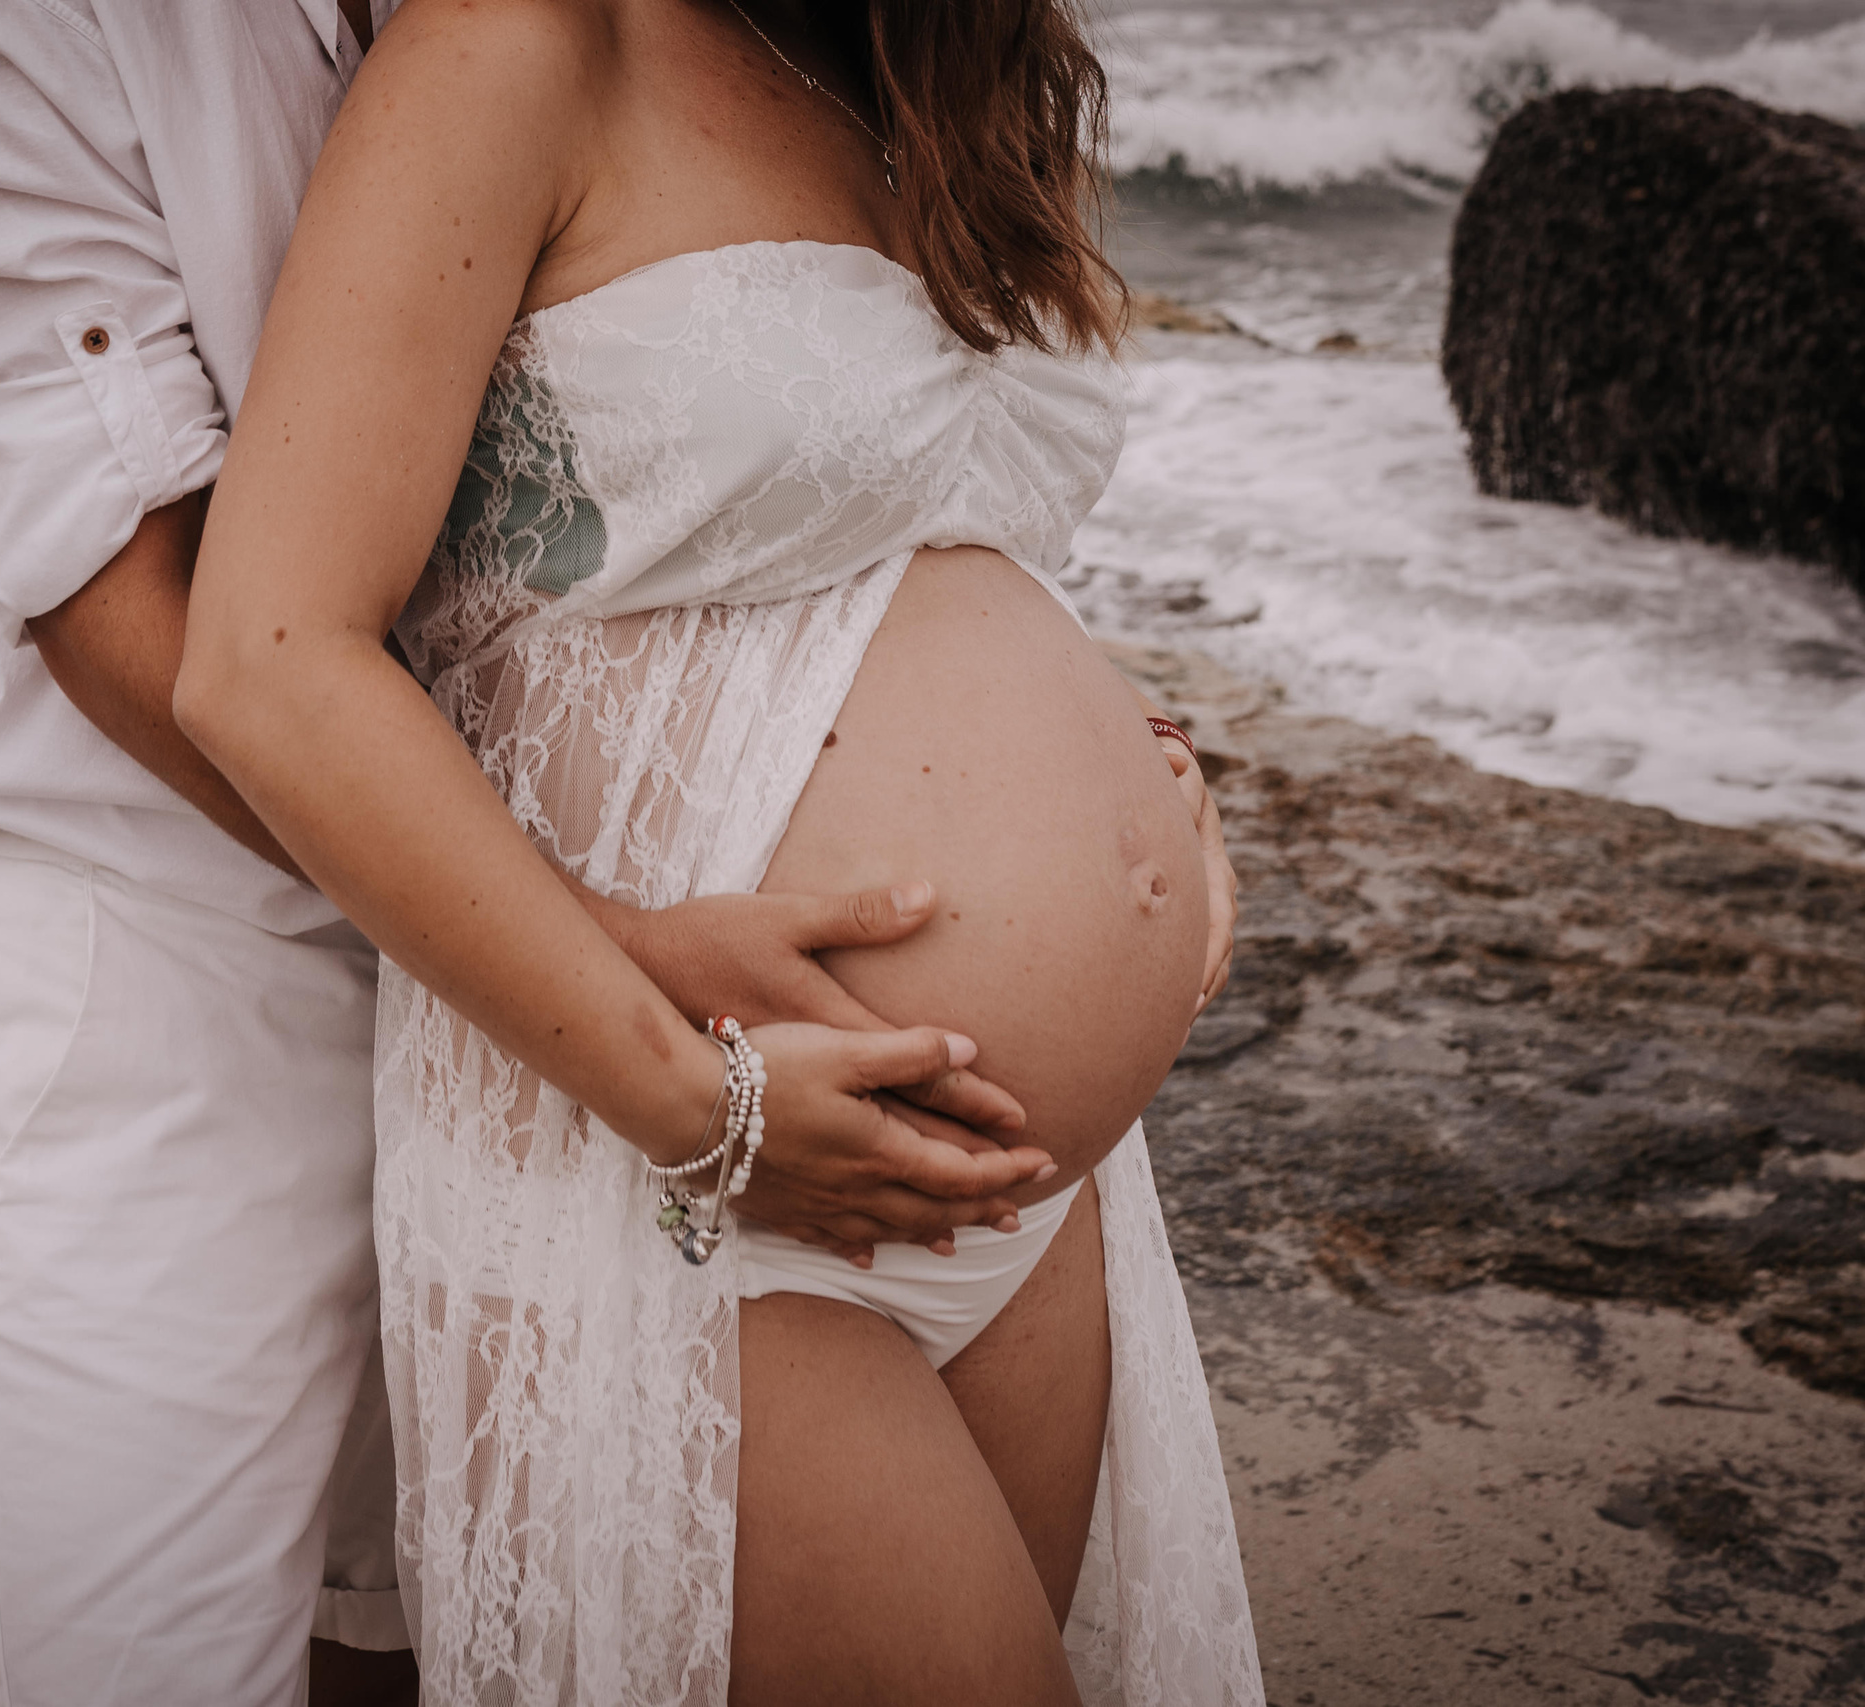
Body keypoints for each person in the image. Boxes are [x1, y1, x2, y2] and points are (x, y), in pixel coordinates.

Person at [0, 0, 1225, 1701]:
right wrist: (650, 1032)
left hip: (746, 1075)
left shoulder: (876, 54)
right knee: (138, 1665)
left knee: (384, 1645)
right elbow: (172, 615)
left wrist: (1141, 777)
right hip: (148, 946)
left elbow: (846, 522)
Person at [174, 0, 1264, 1700]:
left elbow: (922, 534)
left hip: (1027, 1207)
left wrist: (1149, 780)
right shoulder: (518, 44)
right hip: (678, 1182)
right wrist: (707, 1114)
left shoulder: (935, 72)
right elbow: (271, 662)